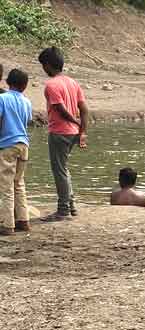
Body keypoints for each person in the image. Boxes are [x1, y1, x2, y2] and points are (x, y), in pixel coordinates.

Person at [38, 47, 88, 222]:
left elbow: (60, 109)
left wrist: (76, 122)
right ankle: (71, 206)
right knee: (64, 170)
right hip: (72, 133)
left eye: (43, 65)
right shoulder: (73, 83)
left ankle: (63, 210)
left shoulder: (51, 85)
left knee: (59, 171)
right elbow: (84, 109)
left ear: (49, 65)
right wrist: (82, 131)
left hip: (60, 132)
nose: (43, 69)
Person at [0, 68, 33, 236]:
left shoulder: (2, 99)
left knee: (6, 186)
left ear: (7, 82)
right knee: (19, 183)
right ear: (25, 86)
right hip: (23, 145)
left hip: (7, 145)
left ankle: (7, 224)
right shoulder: (27, 102)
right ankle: (23, 220)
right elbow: (27, 121)